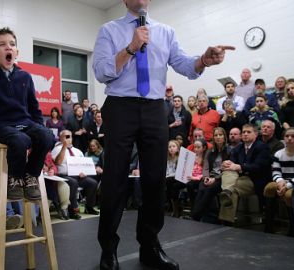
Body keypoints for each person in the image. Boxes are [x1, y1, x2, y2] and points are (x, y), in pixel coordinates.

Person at [92, 1, 234, 269]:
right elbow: (102, 72)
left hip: (155, 107)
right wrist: (131, 48)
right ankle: (108, 248)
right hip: (120, 105)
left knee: (156, 180)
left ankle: (150, 246)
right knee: (114, 179)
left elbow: (183, 64)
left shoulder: (166, 31)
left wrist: (203, 60)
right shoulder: (109, 29)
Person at [0, 27, 53, 201]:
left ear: (17, 52)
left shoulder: (26, 77)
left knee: (47, 136)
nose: (8, 48)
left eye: (12, 44)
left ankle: (30, 176)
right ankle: (14, 179)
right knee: (20, 140)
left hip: (24, 122)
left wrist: (39, 129)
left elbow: (34, 108)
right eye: (2, 45)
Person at [218, 124, 271, 223]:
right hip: (239, 178)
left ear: (255, 134)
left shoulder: (262, 147)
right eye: (243, 132)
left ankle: (226, 221)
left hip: (256, 180)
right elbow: (232, 163)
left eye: (249, 132)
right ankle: (227, 192)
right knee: (228, 174)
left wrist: (239, 167)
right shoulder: (238, 148)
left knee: (231, 189)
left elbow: (258, 167)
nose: (245, 134)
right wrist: (227, 164)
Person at [263, 127, 294, 235]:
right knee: (269, 188)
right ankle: (269, 225)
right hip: (282, 181)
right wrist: (280, 181)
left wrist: (287, 185)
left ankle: (293, 226)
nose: (289, 138)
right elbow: (276, 172)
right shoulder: (279, 153)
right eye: (287, 136)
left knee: (288, 195)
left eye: (293, 136)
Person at [52, 130, 99, 219]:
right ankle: (72, 210)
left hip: (78, 176)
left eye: (70, 136)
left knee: (93, 183)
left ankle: (89, 207)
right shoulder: (56, 149)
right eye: (66, 136)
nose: (68, 138)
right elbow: (58, 162)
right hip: (63, 176)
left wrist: (84, 172)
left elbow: (83, 164)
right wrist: (64, 147)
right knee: (73, 183)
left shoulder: (78, 151)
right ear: (61, 138)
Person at [192, 127, 230, 222]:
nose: (218, 137)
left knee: (210, 189)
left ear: (224, 137)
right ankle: (204, 214)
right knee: (201, 187)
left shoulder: (229, 150)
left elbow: (228, 169)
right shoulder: (210, 151)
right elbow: (206, 167)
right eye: (215, 135)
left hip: (222, 177)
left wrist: (215, 179)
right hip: (210, 176)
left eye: (220, 135)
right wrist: (206, 177)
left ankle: (196, 214)